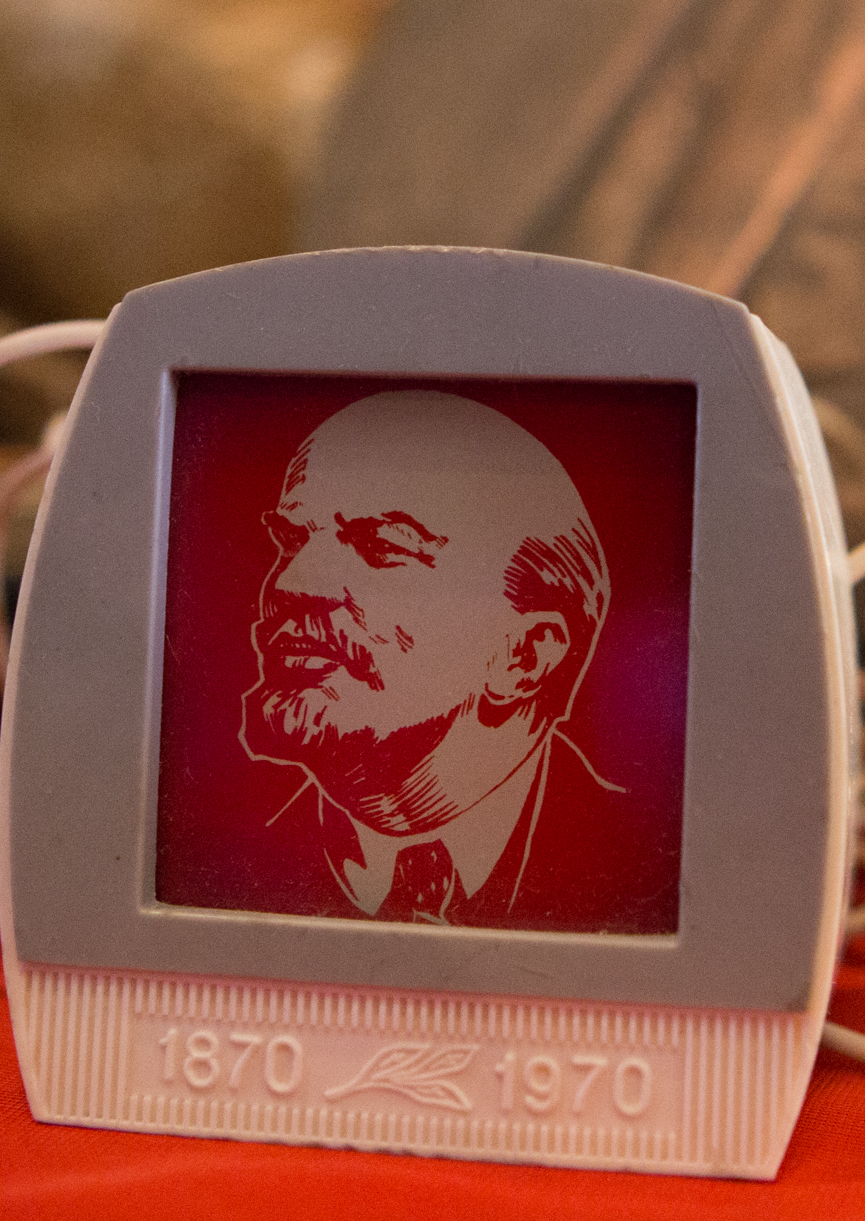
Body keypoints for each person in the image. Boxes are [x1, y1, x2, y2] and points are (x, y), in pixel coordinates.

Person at [237, 388, 662, 930]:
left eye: (381, 549)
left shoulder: (650, 871)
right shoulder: (223, 863)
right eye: (291, 541)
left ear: (525, 655)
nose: (288, 585)